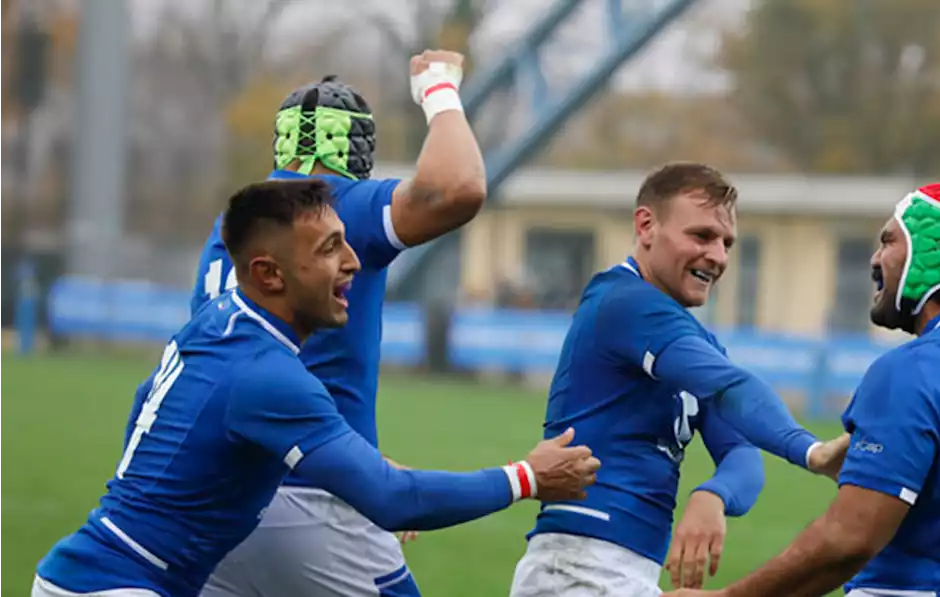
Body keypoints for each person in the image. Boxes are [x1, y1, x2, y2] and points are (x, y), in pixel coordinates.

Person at [32, 180, 599, 597]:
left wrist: (345, 462)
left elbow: (147, 408)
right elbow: (393, 500)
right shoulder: (268, 374)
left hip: (94, 575)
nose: (354, 262)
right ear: (270, 274)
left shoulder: (219, 322)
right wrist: (529, 477)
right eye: (329, 249)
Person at [664, 183, 940, 597]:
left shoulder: (914, 370)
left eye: (888, 241)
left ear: (932, 253)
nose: (874, 259)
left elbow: (850, 540)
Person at [193, 50, 488, 597]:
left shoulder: (231, 227)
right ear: (358, 146)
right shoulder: (334, 207)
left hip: (217, 501)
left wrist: (357, 456)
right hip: (311, 500)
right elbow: (458, 187)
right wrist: (439, 90)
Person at [509, 162, 850, 597]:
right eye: (702, 236)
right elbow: (733, 388)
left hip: (619, 569)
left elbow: (742, 454)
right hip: (579, 566)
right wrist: (811, 451)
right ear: (646, 225)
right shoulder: (624, 301)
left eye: (727, 243)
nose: (719, 256)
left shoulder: (693, 340)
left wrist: (714, 495)